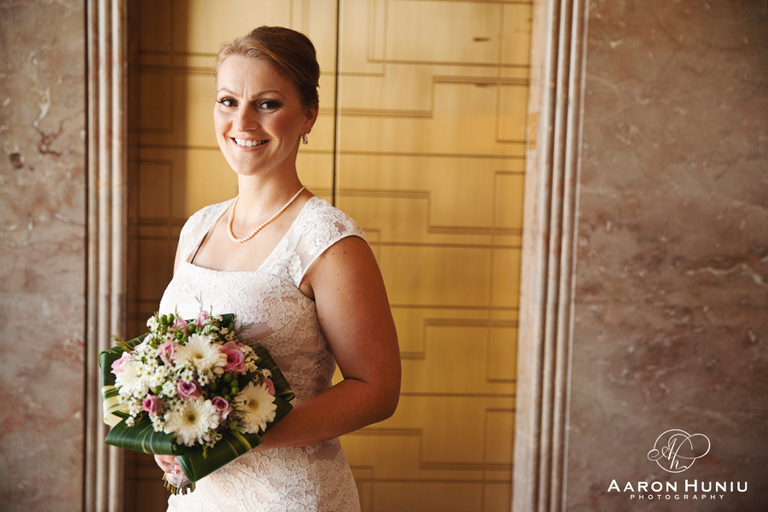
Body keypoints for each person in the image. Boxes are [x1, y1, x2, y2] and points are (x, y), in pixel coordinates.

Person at [153, 26, 401, 511]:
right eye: (228, 101)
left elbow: (377, 391)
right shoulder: (197, 227)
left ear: (308, 115)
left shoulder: (328, 240)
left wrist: (241, 431)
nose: (242, 121)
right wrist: (171, 428)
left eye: (267, 104)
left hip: (288, 496)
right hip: (200, 496)